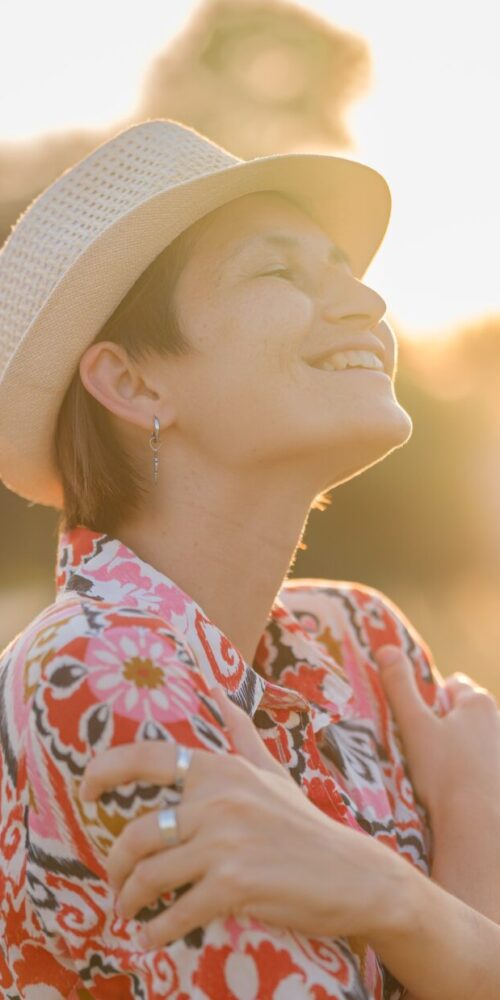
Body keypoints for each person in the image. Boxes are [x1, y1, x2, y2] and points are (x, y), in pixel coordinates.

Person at [0, 119, 498, 1000]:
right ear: (134, 384)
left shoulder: (361, 641)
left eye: (345, 266)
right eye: (278, 270)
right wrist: (458, 865)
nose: (366, 302)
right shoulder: (96, 671)